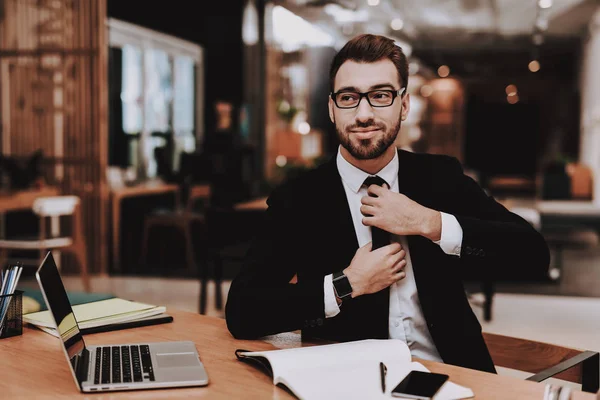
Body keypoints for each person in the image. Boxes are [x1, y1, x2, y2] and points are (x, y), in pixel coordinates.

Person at [225, 34, 549, 373]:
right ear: (332, 109)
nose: (363, 114)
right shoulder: (299, 197)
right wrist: (346, 284)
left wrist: (430, 222)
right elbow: (243, 313)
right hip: (349, 381)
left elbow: (533, 255)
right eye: (349, 98)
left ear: (404, 104)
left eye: (380, 96)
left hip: (453, 374)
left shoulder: (440, 177)